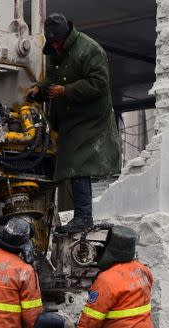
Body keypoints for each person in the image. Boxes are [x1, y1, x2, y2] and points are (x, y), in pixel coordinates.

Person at [26, 13, 121, 234]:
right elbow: (53, 79)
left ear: (66, 36)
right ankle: (79, 216)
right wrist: (39, 89)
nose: (56, 47)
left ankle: (84, 217)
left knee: (79, 165)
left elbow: (99, 83)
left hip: (91, 119)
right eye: (53, 43)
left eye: (58, 42)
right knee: (69, 165)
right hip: (70, 119)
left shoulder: (90, 49)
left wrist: (66, 91)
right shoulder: (56, 51)